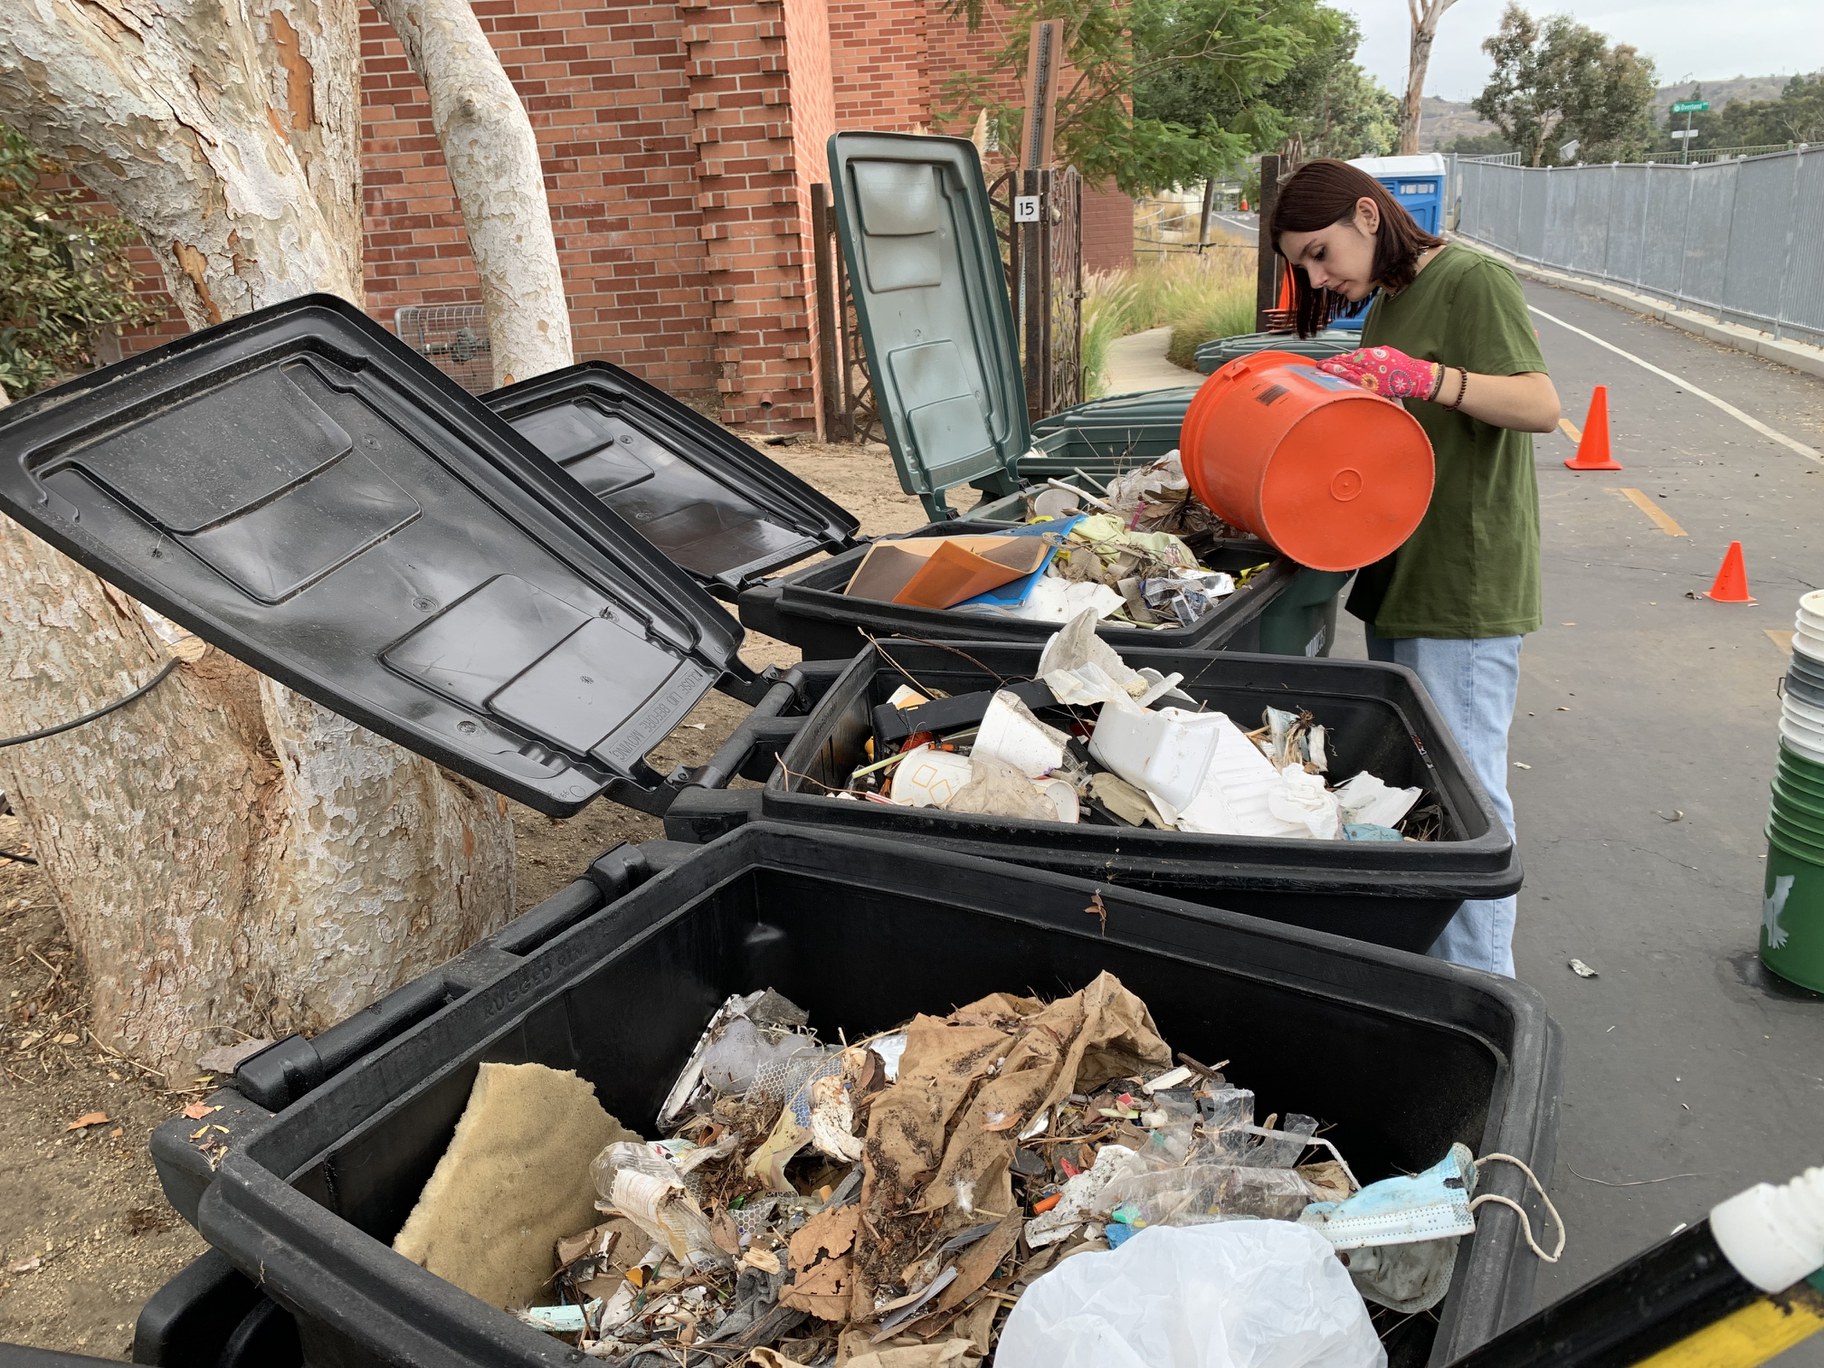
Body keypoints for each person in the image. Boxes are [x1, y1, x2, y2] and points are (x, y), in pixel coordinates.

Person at [1271, 159, 1561, 977]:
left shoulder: (1474, 279)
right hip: (1403, 571)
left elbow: (1541, 405)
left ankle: (1484, 986)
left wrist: (1429, 378)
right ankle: (1439, 969)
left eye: (1322, 255)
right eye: (1304, 266)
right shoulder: (1390, 302)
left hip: (1463, 579)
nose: (1320, 277)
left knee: (1467, 792)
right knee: (1423, 785)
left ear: (1369, 216)